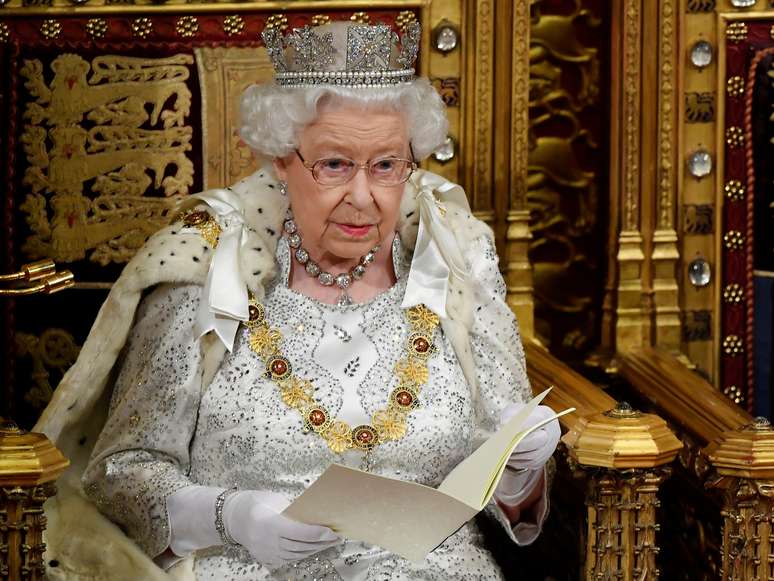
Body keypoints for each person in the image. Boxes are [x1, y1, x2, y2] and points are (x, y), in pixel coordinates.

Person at [35, 20, 560, 581]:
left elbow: (502, 468)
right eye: (334, 164)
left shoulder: (455, 262)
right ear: (281, 160)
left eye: (386, 166)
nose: (363, 196)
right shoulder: (204, 269)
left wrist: (521, 469)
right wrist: (229, 517)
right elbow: (123, 469)